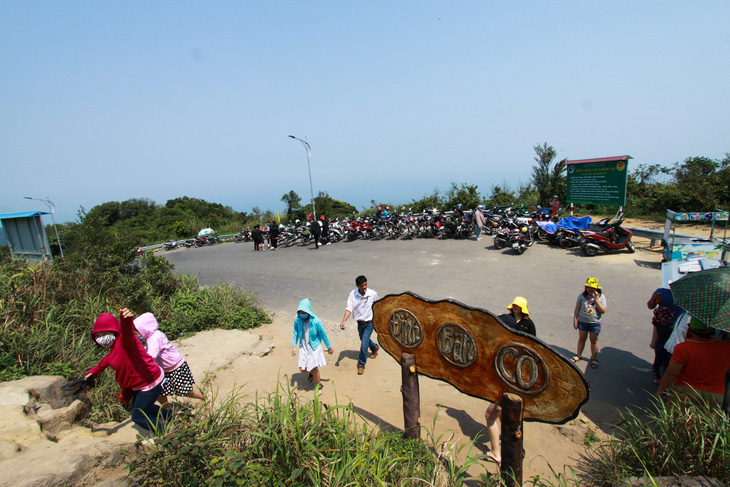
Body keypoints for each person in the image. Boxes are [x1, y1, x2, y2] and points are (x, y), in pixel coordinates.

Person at [84, 308, 171, 432]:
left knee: (138, 416)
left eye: (104, 334)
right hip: (140, 385)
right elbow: (105, 361)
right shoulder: (113, 349)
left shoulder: (126, 342)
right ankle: (172, 417)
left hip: (150, 382)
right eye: (98, 336)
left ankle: (166, 434)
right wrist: (91, 373)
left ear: (114, 331)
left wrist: (125, 320)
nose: (101, 338)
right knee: (145, 408)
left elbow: (127, 332)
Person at [485, 297, 537, 464]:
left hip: (509, 379)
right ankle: (515, 445)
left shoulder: (527, 325)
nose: (515, 307)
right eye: (514, 305)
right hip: (515, 377)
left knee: (490, 415)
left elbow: (534, 344)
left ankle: (496, 453)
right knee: (507, 413)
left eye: (518, 306)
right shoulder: (507, 319)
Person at [656, 315, 730, 412]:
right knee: (705, 425)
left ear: (690, 328)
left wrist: (661, 390)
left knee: (679, 423)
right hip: (714, 395)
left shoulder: (683, 348)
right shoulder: (726, 348)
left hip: (685, 391)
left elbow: (671, 373)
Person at [133, 312, 206, 408]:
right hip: (166, 369)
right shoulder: (150, 338)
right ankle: (167, 410)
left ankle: (204, 397)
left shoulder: (155, 337)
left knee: (183, 391)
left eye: (137, 332)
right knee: (161, 392)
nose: (137, 335)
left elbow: (152, 355)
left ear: (144, 328)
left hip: (176, 367)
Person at [291, 298, 334, 394]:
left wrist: (329, 346)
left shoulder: (316, 321)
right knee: (302, 369)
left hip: (314, 347)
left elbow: (323, 334)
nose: (302, 314)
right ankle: (311, 373)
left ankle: (318, 386)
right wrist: (294, 346)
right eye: (300, 311)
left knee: (314, 368)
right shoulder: (297, 319)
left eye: (304, 311)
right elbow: (295, 332)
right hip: (304, 346)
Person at [339, 275, 380, 375]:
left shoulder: (372, 294)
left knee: (363, 344)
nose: (364, 287)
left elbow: (378, 306)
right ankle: (374, 348)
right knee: (363, 339)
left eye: (365, 284)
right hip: (360, 323)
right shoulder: (353, 294)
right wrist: (343, 321)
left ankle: (361, 364)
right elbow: (349, 308)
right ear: (357, 285)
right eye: (362, 285)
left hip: (370, 322)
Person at [647, 288, 683, 385]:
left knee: (672, 351)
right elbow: (650, 306)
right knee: (662, 348)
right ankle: (658, 371)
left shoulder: (689, 296)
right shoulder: (662, 292)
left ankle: (663, 371)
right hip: (663, 327)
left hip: (679, 327)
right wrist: (653, 299)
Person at [571, 278, 607, 369]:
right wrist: (575, 320)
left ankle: (594, 358)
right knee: (582, 338)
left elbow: (603, 311)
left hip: (594, 323)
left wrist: (597, 300)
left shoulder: (601, 297)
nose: (590, 289)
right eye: (588, 287)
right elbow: (577, 309)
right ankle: (578, 355)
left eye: (592, 288)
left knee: (593, 340)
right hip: (583, 322)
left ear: (597, 288)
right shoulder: (582, 296)